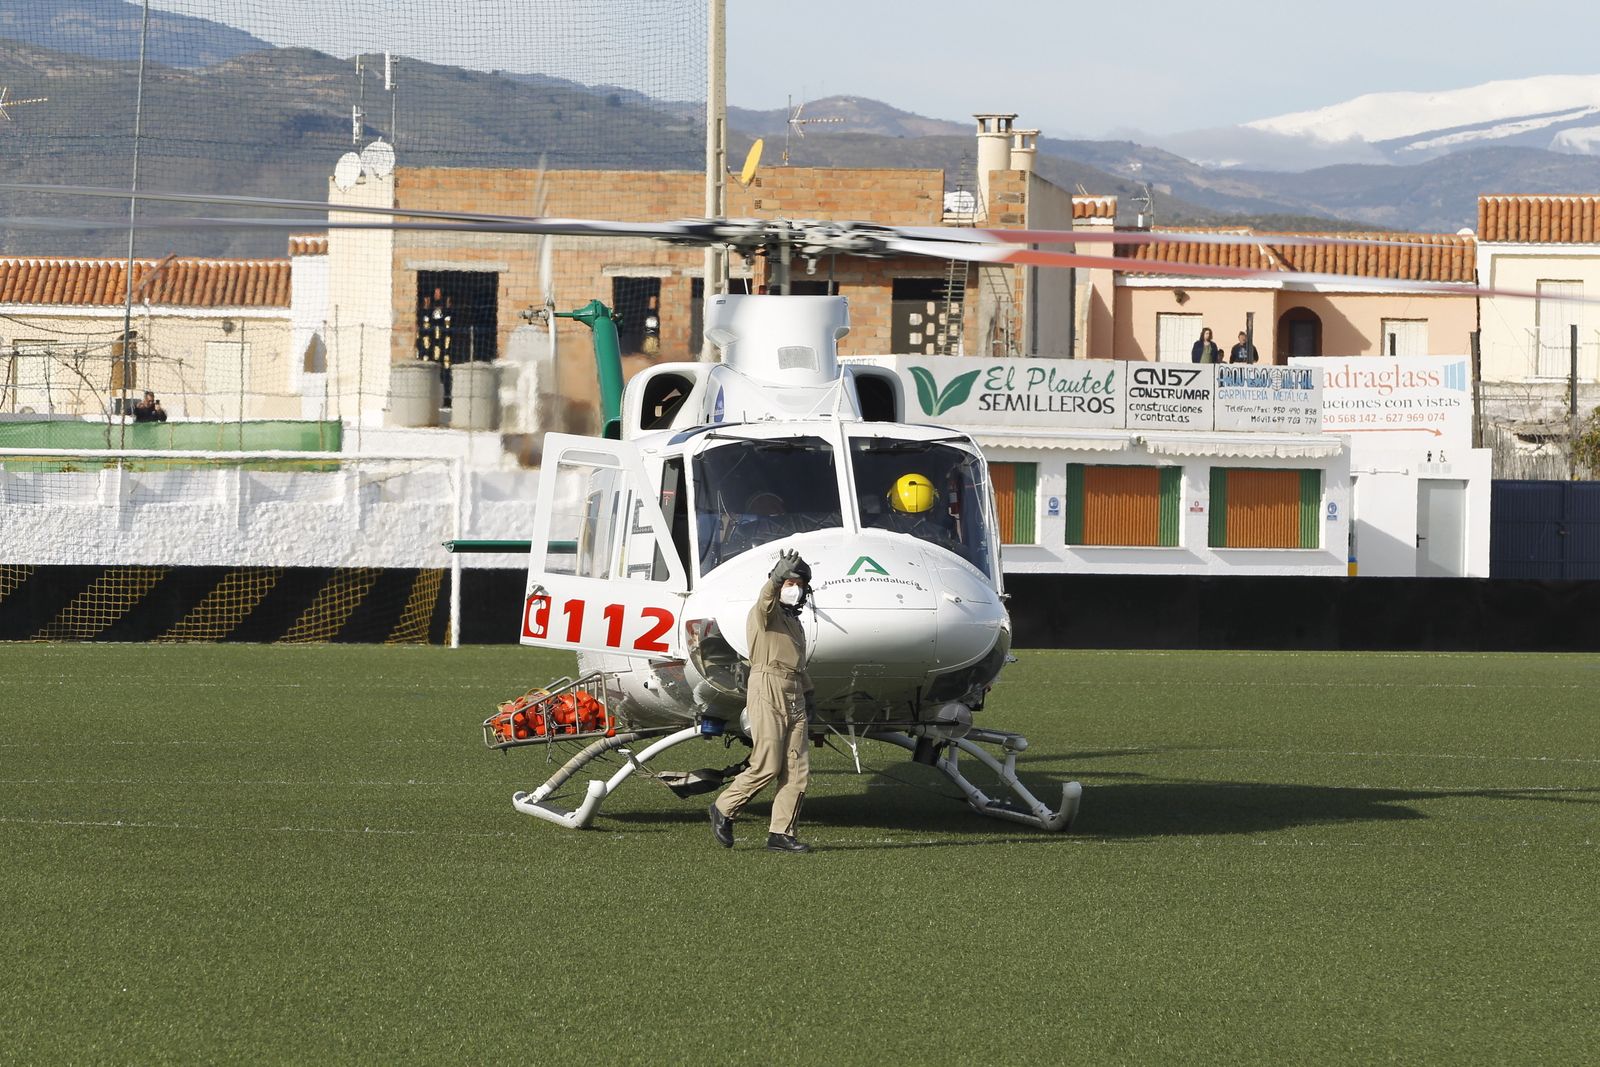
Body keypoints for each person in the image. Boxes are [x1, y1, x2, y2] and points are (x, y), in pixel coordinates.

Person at [709, 548, 815, 853]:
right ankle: (724, 808)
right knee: (767, 764)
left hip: (793, 688)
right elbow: (767, 596)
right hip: (768, 685)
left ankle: (782, 833)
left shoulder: (794, 622)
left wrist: (809, 694)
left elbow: (798, 663)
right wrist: (778, 576)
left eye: (799, 584)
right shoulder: (764, 613)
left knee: (797, 768)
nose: (793, 589)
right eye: (788, 583)